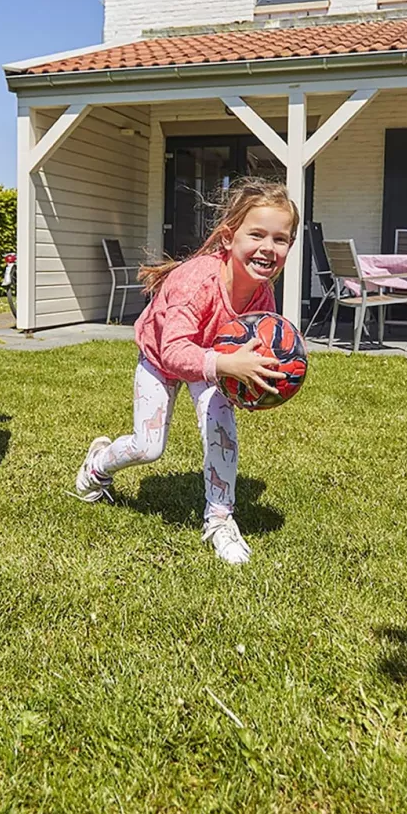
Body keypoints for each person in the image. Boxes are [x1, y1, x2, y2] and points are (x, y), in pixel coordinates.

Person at [73, 179, 297, 565]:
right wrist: (225, 365)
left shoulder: (262, 294)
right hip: (161, 360)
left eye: (281, 239)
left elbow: (260, 347)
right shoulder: (196, 282)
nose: (268, 248)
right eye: (257, 234)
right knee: (148, 447)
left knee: (221, 427)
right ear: (228, 237)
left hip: (211, 362)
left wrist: (251, 387)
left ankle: (220, 519)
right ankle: (97, 465)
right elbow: (175, 350)